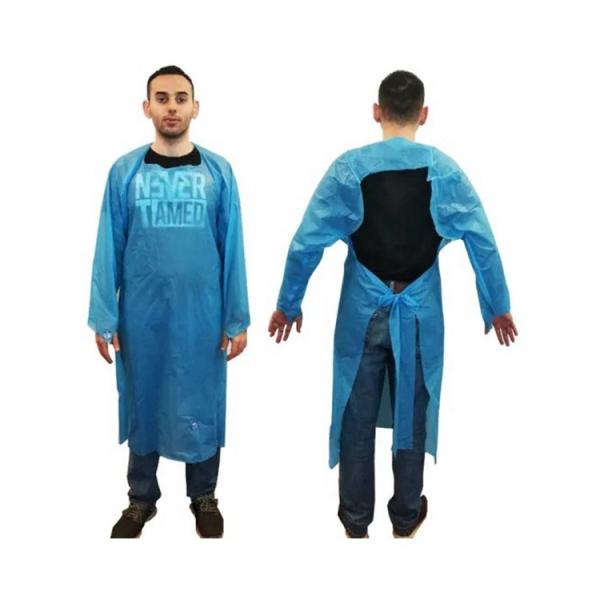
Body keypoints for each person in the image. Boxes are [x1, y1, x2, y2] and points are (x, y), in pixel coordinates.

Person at [269, 70, 517, 539]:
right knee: (411, 410)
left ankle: (355, 520)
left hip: (362, 310)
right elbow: (481, 241)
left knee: (356, 412)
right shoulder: (444, 171)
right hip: (419, 311)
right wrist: (496, 305)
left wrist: (289, 302)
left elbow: (307, 241)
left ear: (376, 111)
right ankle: (405, 516)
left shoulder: (349, 169)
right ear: (423, 114)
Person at [88, 65, 250, 539]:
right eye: (162, 98)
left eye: (181, 98)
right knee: (145, 398)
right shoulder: (125, 173)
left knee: (202, 396)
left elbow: (233, 248)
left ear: (196, 107)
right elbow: (108, 245)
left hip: (203, 316)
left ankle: (204, 495)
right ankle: (141, 498)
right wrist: (104, 315)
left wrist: (236, 317)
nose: (172, 107)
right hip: (143, 317)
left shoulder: (218, 173)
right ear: (147, 108)